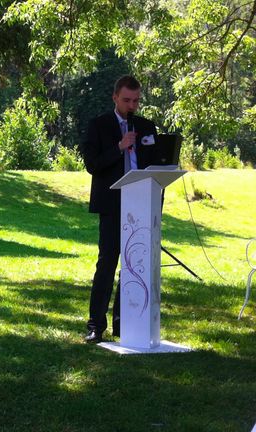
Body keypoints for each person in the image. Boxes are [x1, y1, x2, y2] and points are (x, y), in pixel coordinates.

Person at [82, 75, 160, 343]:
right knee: (108, 262)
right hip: (113, 204)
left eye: (136, 100)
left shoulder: (146, 126)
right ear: (115, 97)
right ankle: (95, 325)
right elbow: (92, 164)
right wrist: (119, 146)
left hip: (142, 204)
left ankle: (125, 323)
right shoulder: (99, 125)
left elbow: (156, 164)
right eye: (127, 100)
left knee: (135, 265)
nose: (132, 105)